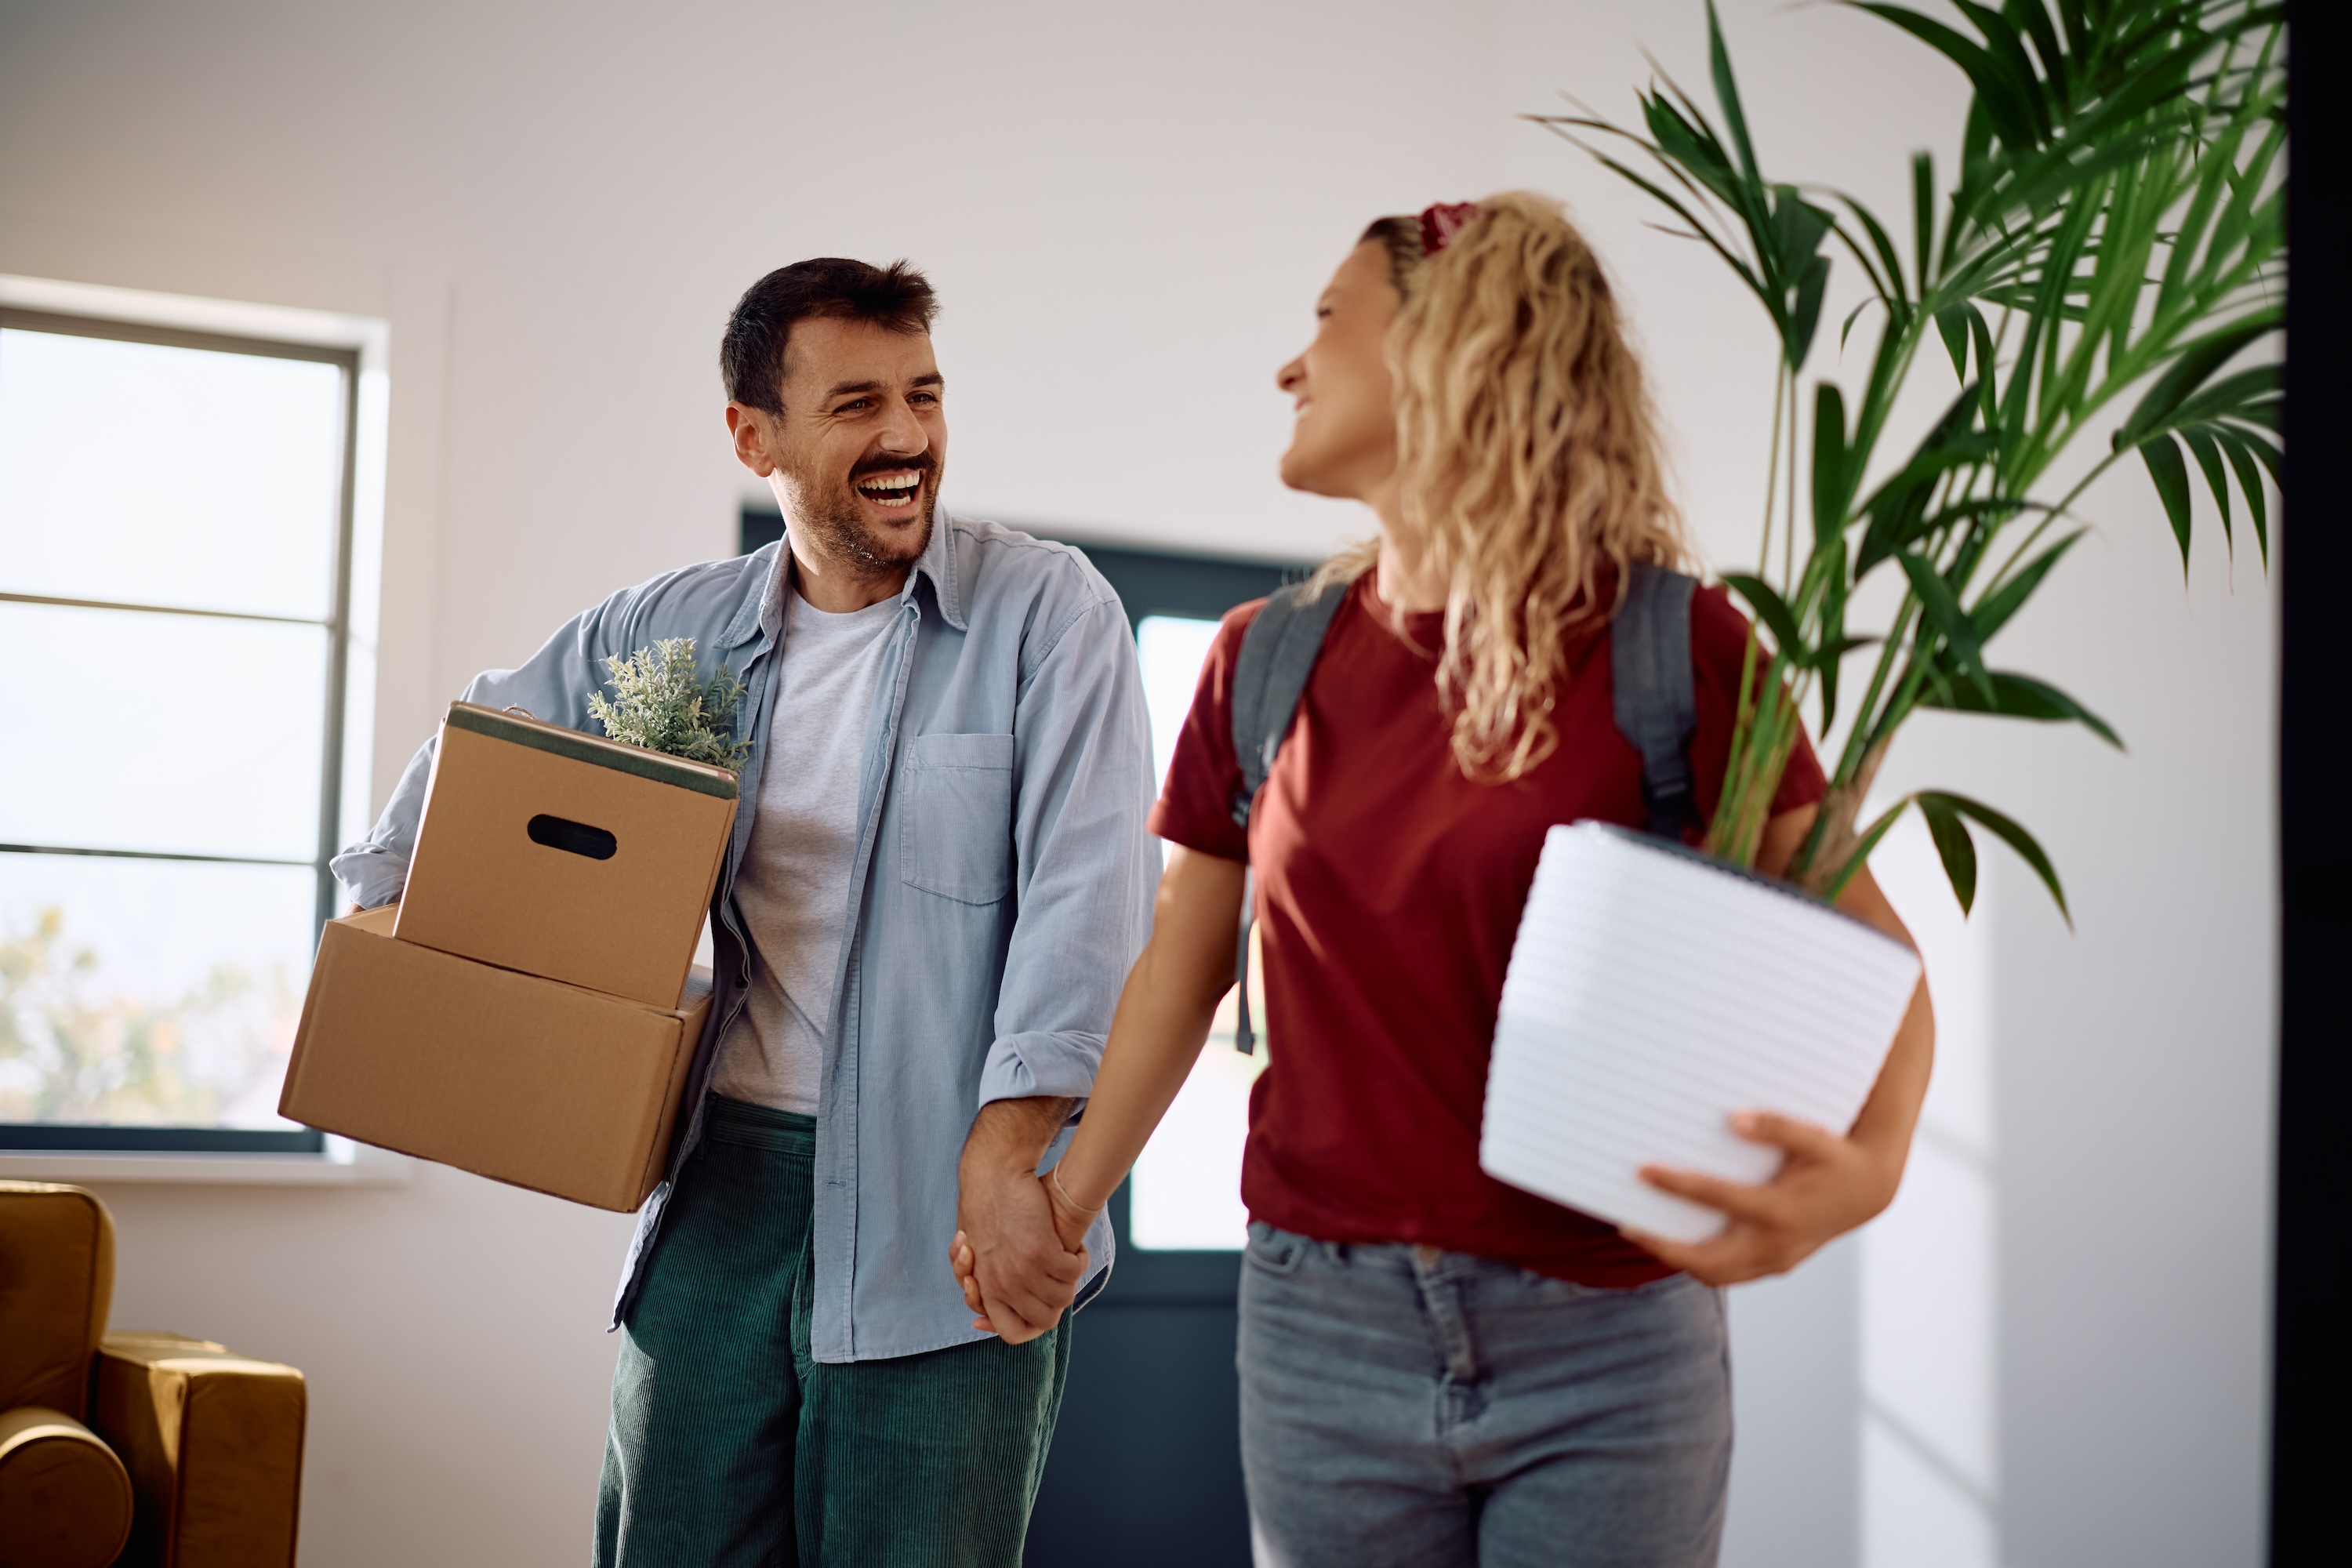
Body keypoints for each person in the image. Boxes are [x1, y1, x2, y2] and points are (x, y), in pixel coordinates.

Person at [954, 194, 1937, 1566]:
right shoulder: (1263, 661)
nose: (1291, 367)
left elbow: (1880, 959)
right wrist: (1058, 1208)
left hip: (1606, 1340)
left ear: (1454, 349)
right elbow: (1184, 966)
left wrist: (1868, 1175)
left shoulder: (1675, 648)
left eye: (1325, 323)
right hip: (1319, 1326)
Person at [332, 257, 1157, 1566]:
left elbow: (1090, 909)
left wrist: (1016, 1155)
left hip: (951, 1196)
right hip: (727, 1189)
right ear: (753, 434)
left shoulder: (1048, 616)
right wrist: (390, 941)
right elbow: (485, 746)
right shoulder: (676, 627)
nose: (905, 438)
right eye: (857, 405)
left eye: (925, 397)